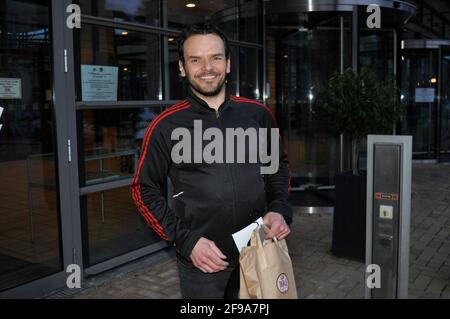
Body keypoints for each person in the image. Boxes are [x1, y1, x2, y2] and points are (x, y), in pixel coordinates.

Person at [131, 22, 292, 299]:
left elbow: (276, 168)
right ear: (182, 67)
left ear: (228, 63)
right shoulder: (165, 126)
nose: (207, 67)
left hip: (259, 245)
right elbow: (143, 189)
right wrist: (186, 240)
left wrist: (278, 208)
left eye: (216, 57)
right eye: (196, 59)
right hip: (204, 260)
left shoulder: (258, 115)